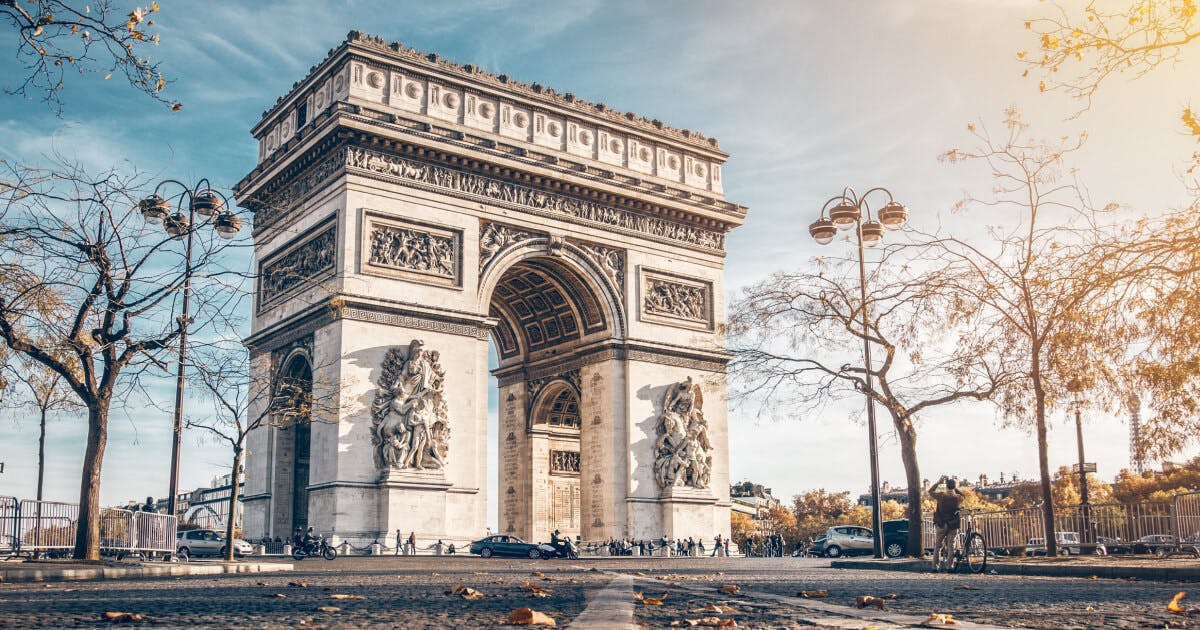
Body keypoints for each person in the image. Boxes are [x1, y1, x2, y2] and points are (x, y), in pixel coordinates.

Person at [929, 475, 965, 571]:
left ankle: (934, 567)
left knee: (938, 546)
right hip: (952, 524)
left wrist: (939, 482)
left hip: (941, 524)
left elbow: (930, 491)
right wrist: (954, 486)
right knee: (951, 546)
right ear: (954, 487)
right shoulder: (957, 497)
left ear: (946, 486)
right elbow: (963, 495)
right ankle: (950, 566)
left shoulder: (941, 496)